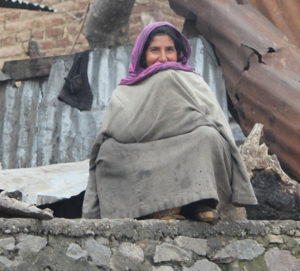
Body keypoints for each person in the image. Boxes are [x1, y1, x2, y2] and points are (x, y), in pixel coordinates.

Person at [82, 22, 257, 222]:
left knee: (208, 135)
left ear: (179, 52)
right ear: (142, 54)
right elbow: (115, 131)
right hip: (141, 152)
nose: (163, 58)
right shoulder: (125, 91)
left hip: (187, 147)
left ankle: (198, 202)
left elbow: (218, 123)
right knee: (108, 152)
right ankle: (152, 209)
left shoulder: (193, 80)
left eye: (169, 50)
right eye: (155, 50)